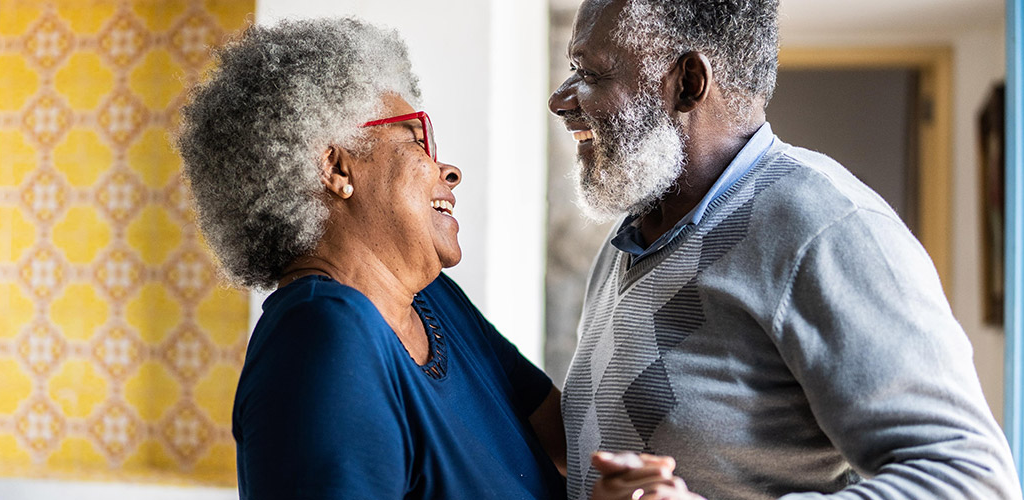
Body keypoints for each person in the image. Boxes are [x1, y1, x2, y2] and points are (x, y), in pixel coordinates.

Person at [176, 18, 685, 499]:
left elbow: (572, 443)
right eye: (416, 138)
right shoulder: (319, 339)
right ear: (337, 168)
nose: (449, 170)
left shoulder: (432, 299)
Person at [547, 1, 1024, 499]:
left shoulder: (826, 226)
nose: (561, 100)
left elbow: (971, 481)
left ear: (688, 82)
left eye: (590, 72)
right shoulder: (630, 237)